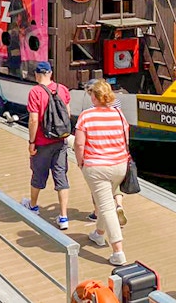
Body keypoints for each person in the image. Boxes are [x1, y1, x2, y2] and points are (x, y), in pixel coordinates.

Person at [74, 79, 129, 266]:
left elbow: (79, 144)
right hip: (120, 165)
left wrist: (80, 162)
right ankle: (98, 234)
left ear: (95, 97)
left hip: (97, 167)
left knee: (106, 206)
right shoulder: (119, 115)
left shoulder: (86, 116)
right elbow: (125, 139)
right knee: (105, 200)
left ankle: (118, 252)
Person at [21, 61, 71, 230]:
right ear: (50, 73)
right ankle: (63, 216)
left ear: (36, 74)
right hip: (60, 141)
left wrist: (32, 142)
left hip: (43, 141)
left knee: (38, 174)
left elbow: (34, 119)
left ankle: (33, 206)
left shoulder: (35, 92)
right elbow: (68, 114)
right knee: (61, 175)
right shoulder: (62, 89)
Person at [84, 79, 126, 226]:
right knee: (115, 185)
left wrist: (80, 160)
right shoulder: (117, 106)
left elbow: (82, 138)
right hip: (118, 153)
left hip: (99, 156)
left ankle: (97, 214)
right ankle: (119, 205)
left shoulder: (91, 111)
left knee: (100, 191)